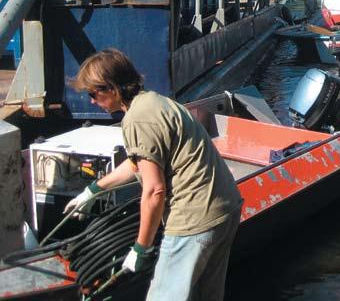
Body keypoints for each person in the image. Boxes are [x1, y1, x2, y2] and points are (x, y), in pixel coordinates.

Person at [65, 49, 241, 301]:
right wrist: (94, 189)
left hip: (193, 220)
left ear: (112, 88)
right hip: (224, 208)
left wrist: (141, 248)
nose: (92, 101)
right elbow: (138, 163)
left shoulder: (137, 119)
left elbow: (154, 191)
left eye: (94, 94)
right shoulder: (154, 101)